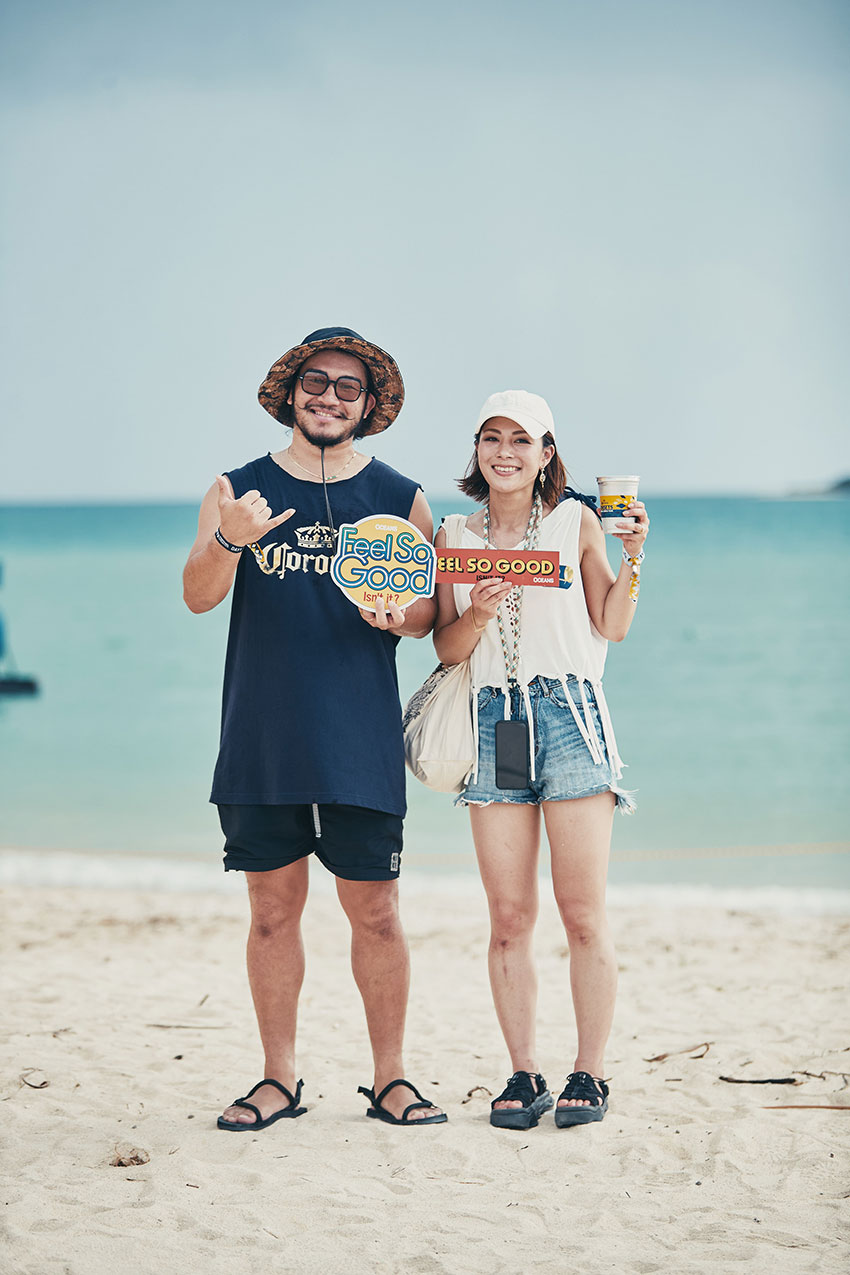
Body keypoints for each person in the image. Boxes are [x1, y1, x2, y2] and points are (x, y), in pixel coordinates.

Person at [183, 326, 446, 1129]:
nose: (329, 396)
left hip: (360, 739)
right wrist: (230, 536)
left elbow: (432, 613)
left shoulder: (402, 497)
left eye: (347, 386)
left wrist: (401, 617)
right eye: (316, 381)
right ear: (292, 391)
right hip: (262, 735)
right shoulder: (238, 489)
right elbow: (197, 595)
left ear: (369, 404)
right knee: (271, 912)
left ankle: (391, 1077)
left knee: (378, 913)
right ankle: (279, 1077)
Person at [433, 390, 649, 1130]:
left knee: (582, 911)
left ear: (547, 452)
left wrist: (635, 555)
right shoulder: (453, 534)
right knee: (508, 916)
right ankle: (524, 1072)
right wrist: (478, 611)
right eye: (492, 437)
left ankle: (590, 1071)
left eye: (521, 440)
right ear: (477, 449)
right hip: (494, 720)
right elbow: (446, 649)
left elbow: (611, 625)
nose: (505, 452)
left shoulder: (574, 521)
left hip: (570, 716)